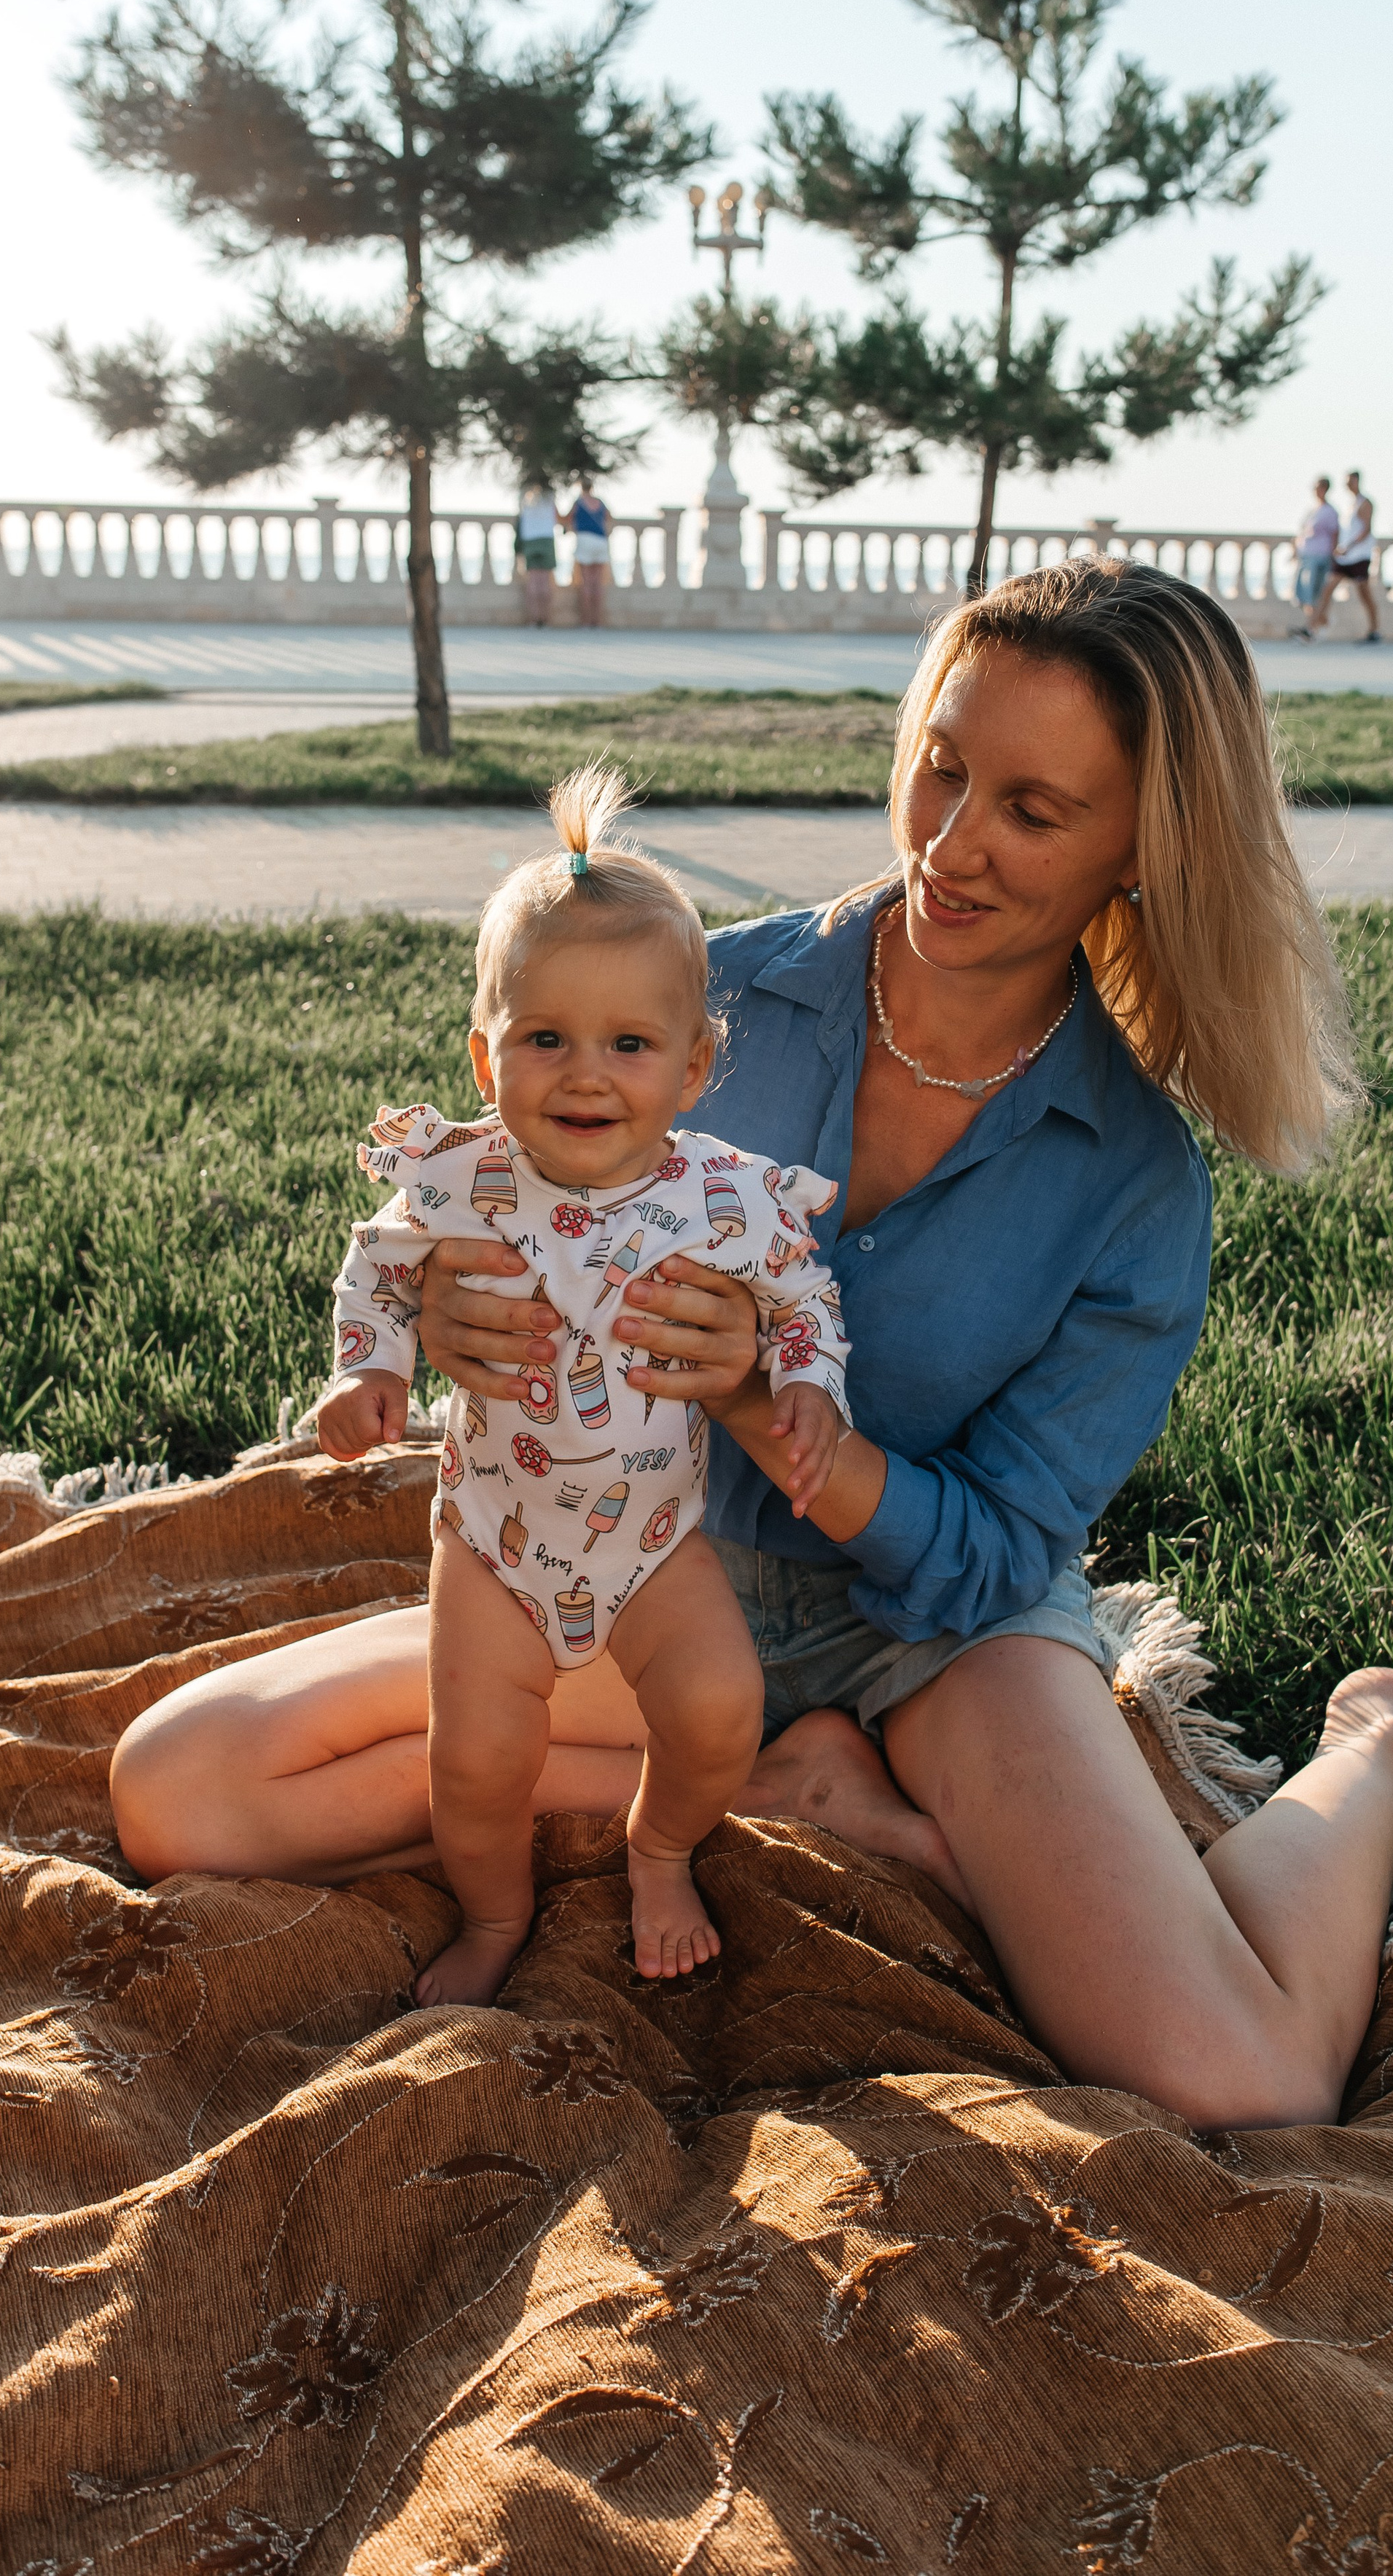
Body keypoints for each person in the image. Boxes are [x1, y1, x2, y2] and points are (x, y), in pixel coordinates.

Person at [109, 558, 1393, 2132]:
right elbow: (491, 1197)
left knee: (1239, 2079)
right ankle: (776, 1794)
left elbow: (999, 1553)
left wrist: (814, 1445)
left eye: (1033, 814)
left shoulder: (1129, 1183)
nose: (952, 843)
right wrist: (445, 1315)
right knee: (183, 1788)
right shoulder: (698, 1002)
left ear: (1139, 850)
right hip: (640, 1568)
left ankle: (1381, 1741)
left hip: (939, 1635)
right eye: (942, 767)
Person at [319, 767, 849, 2002]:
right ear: (484, 1052)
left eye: (629, 1043)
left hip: (655, 1542)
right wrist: (367, 1371)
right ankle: (495, 1918)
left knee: (721, 1710)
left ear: (696, 1062)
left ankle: (659, 1849)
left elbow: (801, 1292)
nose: (586, 1075)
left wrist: (811, 1384)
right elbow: (375, 1267)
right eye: (543, 1038)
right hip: (497, 1541)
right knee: (479, 1762)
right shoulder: (462, 1179)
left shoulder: (720, 1198)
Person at [1328, 470, 1381, 641]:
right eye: (1346, 482)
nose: (1347, 485)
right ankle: (1311, 628)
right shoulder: (1349, 505)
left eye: (1350, 481)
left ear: (1358, 481)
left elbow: (1366, 530)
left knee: (1365, 595)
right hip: (1345, 558)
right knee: (1328, 589)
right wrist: (1339, 547)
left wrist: (1348, 547)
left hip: (1359, 557)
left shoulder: (1365, 503)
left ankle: (1375, 631)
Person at [1292, 475, 1339, 638]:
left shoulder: (1330, 512)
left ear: (1325, 489)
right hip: (1306, 556)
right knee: (1301, 593)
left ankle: (1311, 628)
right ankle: (1321, 622)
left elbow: (1335, 534)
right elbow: (1302, 532)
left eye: (1319, 487)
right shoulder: (1312, 510)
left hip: (1321, 556)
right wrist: (1295, 551)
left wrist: (1334, 557)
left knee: (1314, 593)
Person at [566, 479, 612, 627]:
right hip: (601, 540)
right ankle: (596, 621)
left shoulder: (579, 502)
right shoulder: (600, 502)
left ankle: (586, 621)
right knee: (597, 583)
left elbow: (568, 518)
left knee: (586, 582)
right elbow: (609, 517)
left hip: (585, 540)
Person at [515, 479, 558, 627]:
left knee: (533, 581)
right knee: (545, 581)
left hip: (531, 540)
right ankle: (545, 618)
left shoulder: (526, 500)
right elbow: (557, 517)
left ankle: (534, 619)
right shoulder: (550, 500)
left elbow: (521, 520)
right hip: (546, 540)